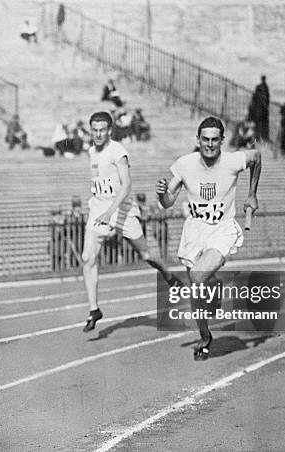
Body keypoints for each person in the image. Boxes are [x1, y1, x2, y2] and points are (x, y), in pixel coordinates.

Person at [155, 116, 261, 360]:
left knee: (198, 275)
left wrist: (252, 194)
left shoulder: (233, 160)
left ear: (222, 141)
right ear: (198, 140)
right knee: (197, 286)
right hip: (194, 231)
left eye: (215, 140)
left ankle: (209, 282)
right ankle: (205, 336)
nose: (210, 144)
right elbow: (168, 202)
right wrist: (162, 196)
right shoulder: (184, 164)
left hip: (222, 229)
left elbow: (256, 157)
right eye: (205, 139)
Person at [81, 111, 176, 332]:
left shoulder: (118, 151)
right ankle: (94, 309)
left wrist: (111, 212)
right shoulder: (91, 151)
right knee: (87, 258)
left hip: (122, 208)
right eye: (94, 130)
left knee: (146, 255)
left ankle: (168, 275)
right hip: (98, 208)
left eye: (102, 130)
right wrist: (101, 210)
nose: (97, 134)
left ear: (109, 131)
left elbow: (126, 186)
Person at [250, 75, 270, 141]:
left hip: (259, 109)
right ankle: (263, 137)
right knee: (263, 124)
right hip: (262, 109)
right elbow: (267, 99)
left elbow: (254, 98)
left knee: (259, 124)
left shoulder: (259, 87)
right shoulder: (265, 87)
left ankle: (259, 137)